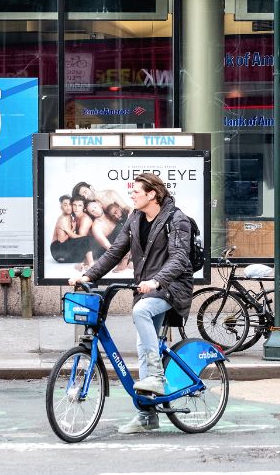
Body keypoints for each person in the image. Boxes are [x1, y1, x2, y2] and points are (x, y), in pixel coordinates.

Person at [69, 172, 194, 434]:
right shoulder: (135, 218)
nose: (132, 195)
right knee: (142, 343)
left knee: (140, 311)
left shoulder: (176, 219)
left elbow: (180, 258)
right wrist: (88, 274)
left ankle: (157, 377)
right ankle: (147, 416)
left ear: (152, 194)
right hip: (148, 289)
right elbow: (116, 251)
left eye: (137, 191)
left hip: (172, 287)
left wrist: (157, 281)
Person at [50, 196, 80, 263]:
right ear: (61, 207)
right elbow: (61, 240)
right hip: (57, 248)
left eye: (70, 204)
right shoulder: (62, 219)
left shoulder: (70, 216)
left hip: (64, 246)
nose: (68, 207)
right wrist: (73, 229)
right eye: (65, 205)